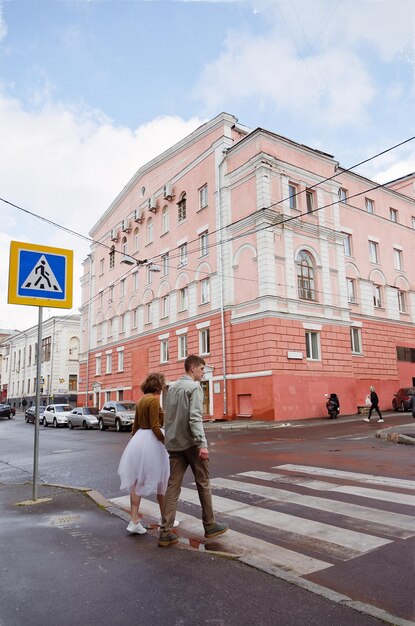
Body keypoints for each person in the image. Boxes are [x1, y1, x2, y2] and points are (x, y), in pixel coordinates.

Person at [158, 354, 228, 547]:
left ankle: (165, 531)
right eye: (202, 369)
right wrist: (202, 444)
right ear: (193, 369)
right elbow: (195, 418)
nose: (203, 373)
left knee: (173, 486)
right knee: (203, 482)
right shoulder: (194, 388)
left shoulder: (171, 389)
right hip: (191, 444)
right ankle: (210, 524)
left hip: (174, 444)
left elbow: (168, 417)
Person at [118, 372, 174, 535]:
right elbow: (156, 427)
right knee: (162, 481)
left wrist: (136, 442)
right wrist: (166, 442)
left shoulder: (141, 400)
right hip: (152, 440)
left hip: (139, 440)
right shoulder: (154, 401)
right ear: (159, 386)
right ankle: (165, 519)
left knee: (137, 481)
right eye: (163, 384)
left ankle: (134, 520)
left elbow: (135, 425)